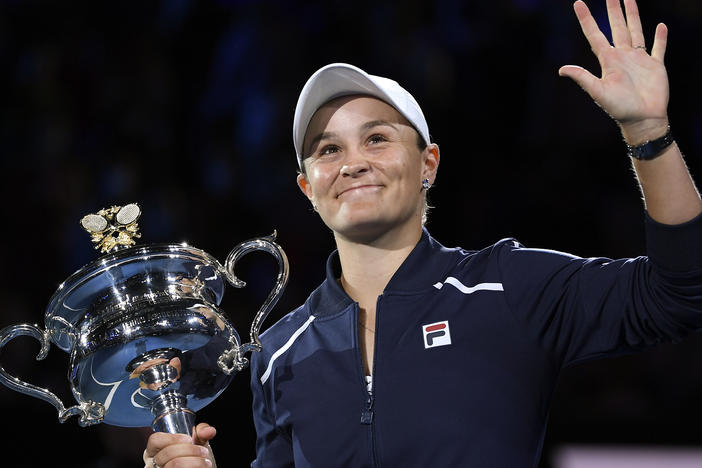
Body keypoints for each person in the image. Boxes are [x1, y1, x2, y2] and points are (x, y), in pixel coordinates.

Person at [143, 0, 702, 466]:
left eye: (377, 138)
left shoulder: (507, 288)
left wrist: (648, 132)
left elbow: (680, 293)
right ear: (307, 188)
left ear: (428, 165)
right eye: (328, 149)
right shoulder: (277, 350)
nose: (352, 162)